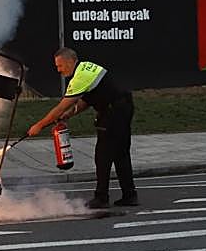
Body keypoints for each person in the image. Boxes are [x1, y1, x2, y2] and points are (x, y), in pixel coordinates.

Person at [27, 47, 138, 209]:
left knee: (103, 156)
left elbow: (61, 107)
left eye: (60, 65)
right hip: (123, 107)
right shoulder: (86, 67)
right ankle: (129, 195)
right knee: (121, 154)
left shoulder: (80, 78)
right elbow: (87, 99)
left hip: (112, 112)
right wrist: (68, 115)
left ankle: (101, 198)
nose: (58, 70)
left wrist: (39, 125)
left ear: (71, 61)